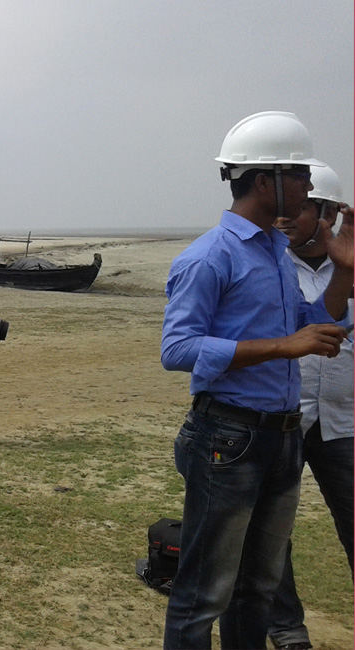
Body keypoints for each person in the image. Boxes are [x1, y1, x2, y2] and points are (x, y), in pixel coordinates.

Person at [160, 111, 353, 650]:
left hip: (281, 437)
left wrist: (345, 271)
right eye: (301, 174)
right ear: (265, 181)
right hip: (229, 438)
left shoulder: (274, 251)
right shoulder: (210, 256)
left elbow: (313, 325)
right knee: (203, 594)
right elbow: (177, 349)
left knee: (258, 592)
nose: (310, 186)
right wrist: (283, 347)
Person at [267, 163, 354, 650]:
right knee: (273, 530)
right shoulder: (271, 265)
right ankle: (286, 627)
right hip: (284, 416)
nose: (286, 217)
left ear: (329, 213)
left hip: (345, 421)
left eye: (301, 207)